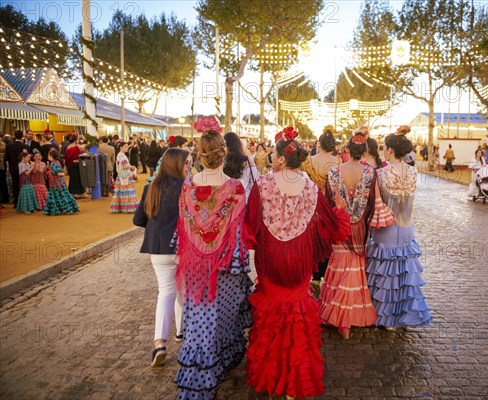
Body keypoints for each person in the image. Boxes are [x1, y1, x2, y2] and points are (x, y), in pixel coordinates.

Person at [245, 126, 350, 400]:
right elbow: (327, 224)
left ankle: (272, 376)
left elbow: (251, 223)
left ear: (280, 158)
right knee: (298, 316)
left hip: (270, 258)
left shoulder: (263, 184)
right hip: (300, 259)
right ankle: (294, 381)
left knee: (271, 316)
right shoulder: (311, 187)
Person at [174, 129, 252, 400]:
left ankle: (199, 370)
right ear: (224, 153)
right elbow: (238, 233)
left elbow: (183, 227)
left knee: (198, 319)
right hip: (225, 267)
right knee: (222, 317)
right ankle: (217, 362)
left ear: (199, 155)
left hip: (197, 265)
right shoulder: (235, 188)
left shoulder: (187, 186)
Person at [319, 129, 393, 339]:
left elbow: (327, 201)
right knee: (355, 266)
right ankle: (351, 317)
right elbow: (374, 202)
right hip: (359, 226)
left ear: (348, 150)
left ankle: (337, 317)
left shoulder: (334, 171)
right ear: (365, 150)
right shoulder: (371, 173)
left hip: (340, 224)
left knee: (338, 264)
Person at [366, 132, 432, 329]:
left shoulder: (380, 174)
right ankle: (402, 314)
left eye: (384, 148)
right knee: (404, 270)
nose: (382, 152)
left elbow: (375, 203)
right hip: (407, 225)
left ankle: (385, 317)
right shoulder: (413, 172)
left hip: (387, 226)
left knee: (386, 272)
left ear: (390, 150)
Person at [133, 148, 190, 367]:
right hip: (180, 248)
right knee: (184, 292)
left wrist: (156, 226)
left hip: (157, 249)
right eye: (187, 163)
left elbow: (138, 219)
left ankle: (159, 343)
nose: (189, 167)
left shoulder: (150, 187)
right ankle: (182, 332)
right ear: (176, 164)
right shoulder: (186, 188)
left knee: (166, 293)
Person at [300, 127, 341, 281]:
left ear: (319, 144)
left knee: (313, 239)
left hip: (312, 206)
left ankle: (314, 275)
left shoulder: (309, 161)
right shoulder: (337, 162)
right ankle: (326, 272)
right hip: (330, 208)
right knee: (327, 239)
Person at [223, 131, 257, 201]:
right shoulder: (248, 161)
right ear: (238, 144)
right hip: (244, 201)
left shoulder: (221, 161)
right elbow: (255, 180)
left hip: (225, 201)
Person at [44, 150, 79, 215]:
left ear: (52, 156)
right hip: (59, 183)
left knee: (60, 196)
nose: (48, 156)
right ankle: (66, 209)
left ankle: (65, 209)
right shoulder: (56, 162)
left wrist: (58, 173)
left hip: (56, 183)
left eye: (49, 155)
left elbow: (58, 173)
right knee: (63, 195)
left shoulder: (53, 163)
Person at [110, 142, 138, 213]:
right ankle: (126, 208)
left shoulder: (121, 155)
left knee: (123, 192)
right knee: (126, 191)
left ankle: (123, 207)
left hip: (123, 174)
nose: (126, 148)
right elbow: (125, 166)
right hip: (124, 175)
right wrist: (132, 167)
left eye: (127, 146)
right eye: (125, 146)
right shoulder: (121, 155)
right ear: (121, 147)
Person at [6, 130, 27, 206]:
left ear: (14, 136)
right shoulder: (25, 146)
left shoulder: (9, 146)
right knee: (24, 184)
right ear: (22, 136)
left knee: (15, 185)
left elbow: (6, 158)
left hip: (13, 168)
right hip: (24, 169)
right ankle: (24, 202)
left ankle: (16, 202)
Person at [65, 134, 86, 199]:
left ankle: (71, 192)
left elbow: (67, 157)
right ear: (75, 140)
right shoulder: (76, 147)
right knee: (77, 179)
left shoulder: (67, 147)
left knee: (72, 179)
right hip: (76, 165)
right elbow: (78, 156)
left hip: (70, 165)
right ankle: (78, 193)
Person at [0, 139, 8, 205]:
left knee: (3, 181)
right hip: (2, 165)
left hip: (2, 165)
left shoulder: (4, 144)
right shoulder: (4, 145)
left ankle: (4, 198)